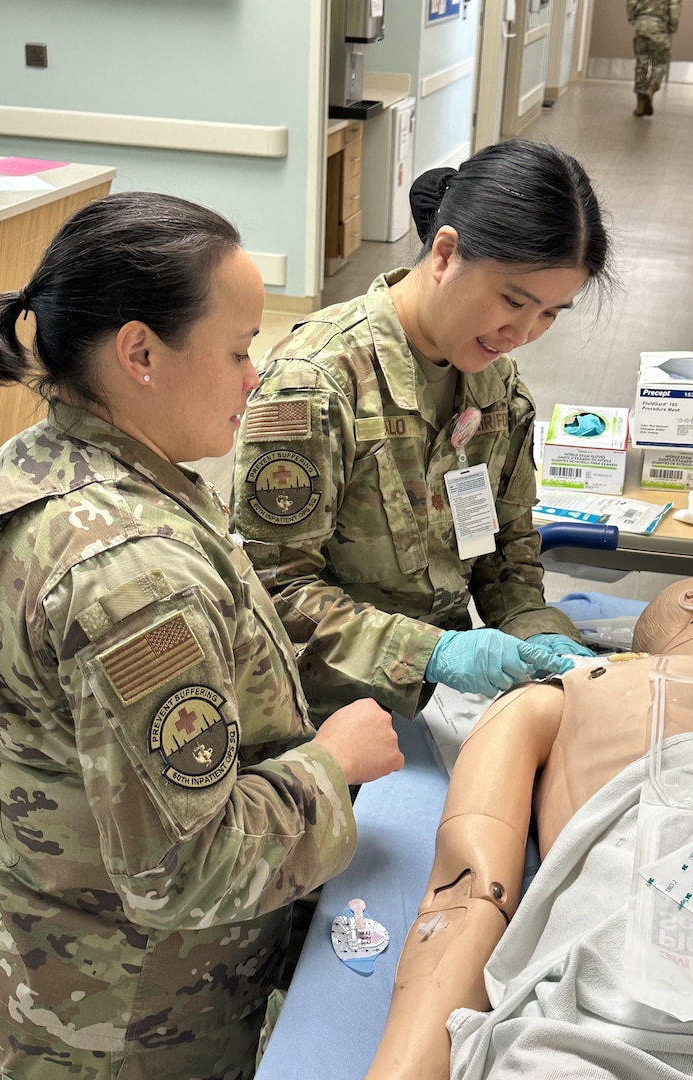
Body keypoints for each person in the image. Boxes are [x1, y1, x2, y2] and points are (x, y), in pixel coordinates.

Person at [0, 190, 404, 1080]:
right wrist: (331, 765)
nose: (255, 376)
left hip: (48, 932)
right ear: (140, 353)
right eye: (239, 349)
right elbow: (185, 869)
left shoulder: (45, 458)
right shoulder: (136, 579)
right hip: (131, 1013)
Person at [232, 139, 615, 728]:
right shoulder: (316, 384)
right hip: (323, 711)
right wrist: (433, 653)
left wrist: (540, 634)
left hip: (443, 704)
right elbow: (270, 593)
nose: (523, 332)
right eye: (514, 301)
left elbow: (504, 557)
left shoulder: (496, 389)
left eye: (549, 314)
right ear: (444, 253)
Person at [366, 570, 693, 1080]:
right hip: (621, 1016)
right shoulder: (570, 691)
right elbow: (467, 890)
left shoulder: (571, 691)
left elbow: (468, 898)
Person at [627, 0, 682, 116]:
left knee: (641, 63)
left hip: (641, 26)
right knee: (660, 63)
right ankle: (651, 90)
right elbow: (674, 8)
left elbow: (631, 3)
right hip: (660, 28)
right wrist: (673, 26)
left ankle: (640, 105)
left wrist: (633, 19)